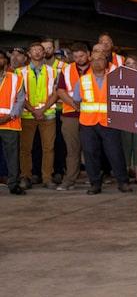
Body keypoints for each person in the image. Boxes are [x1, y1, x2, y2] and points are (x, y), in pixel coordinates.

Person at [69, 50, 131, 194]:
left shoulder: (115, 79)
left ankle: (123, 182)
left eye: (100, 59)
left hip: (109, 122)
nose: (97, 62)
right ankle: (95, 184)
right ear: (90, 62)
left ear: (107, 62)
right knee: (90, 153)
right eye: (94, 59)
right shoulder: (83, 80)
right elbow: (76, 101)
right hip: (88, 124)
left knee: (115, 153)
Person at [17, 43, 58, 190]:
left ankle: (47, 178)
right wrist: (34, 111)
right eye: (34, 50)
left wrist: (42, 110)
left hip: (48, 115)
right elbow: (19, 95)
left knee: (49, 148)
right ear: (29, 54)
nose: (37, 52)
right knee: (25, 149)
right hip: (27, 115)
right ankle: (25, 176)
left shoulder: (53, 71)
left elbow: (56, 93)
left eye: (40, 50)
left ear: (44, 53)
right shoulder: (19, 72)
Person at [53, 42, 90, 191]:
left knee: (91, 148)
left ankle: (94, 178)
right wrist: (74, 104)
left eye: (81, 56)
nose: (79, 59)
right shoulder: (66, 69)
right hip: (70, 115)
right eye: (76, 56)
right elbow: (60, 91)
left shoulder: (96, 69)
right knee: (72, 149)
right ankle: (70, 180)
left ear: (88, 54)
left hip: (92, 115)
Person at [0, 54, 25, 195]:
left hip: (10, 123)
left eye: (0, 57)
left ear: (6, 61)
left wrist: (9, 116)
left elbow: (20, 100)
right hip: (8, 122)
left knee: (12, 156)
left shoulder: (16, 78)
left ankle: (13, 184)